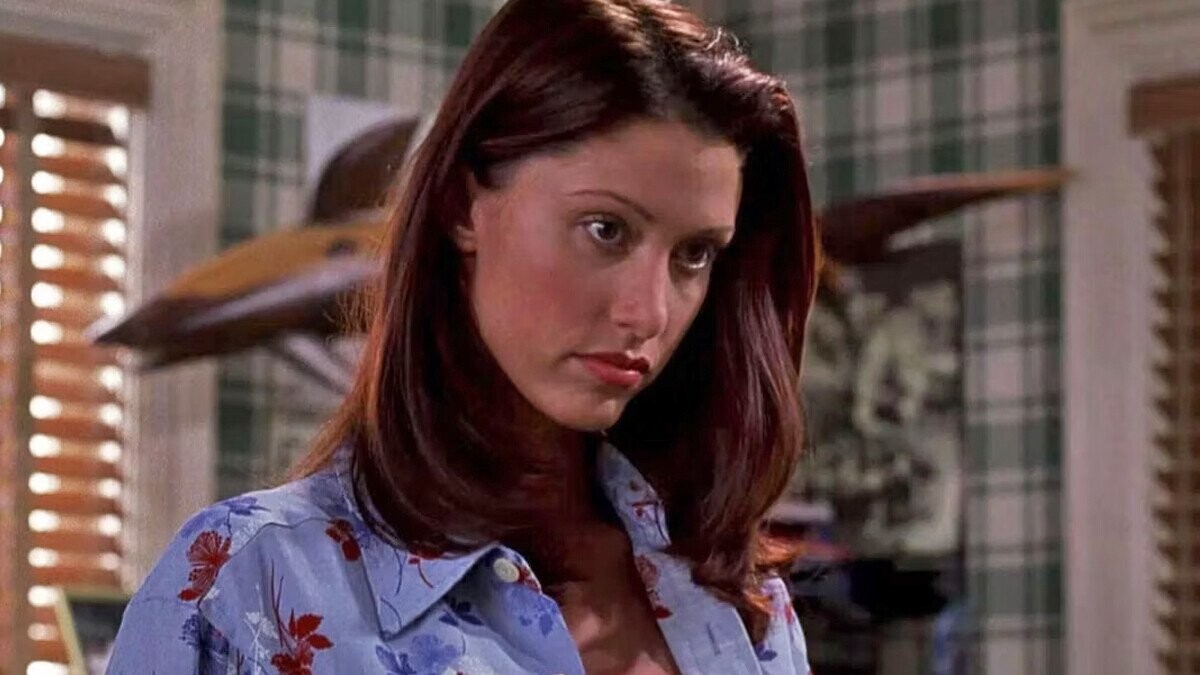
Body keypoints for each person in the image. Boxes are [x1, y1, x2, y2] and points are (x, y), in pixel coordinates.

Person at [107, 0, 820, 672]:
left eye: (693, 254)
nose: (650, 313)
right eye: (606, 229)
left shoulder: (741, 604)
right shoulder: (247, 585)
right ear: (461, 205)